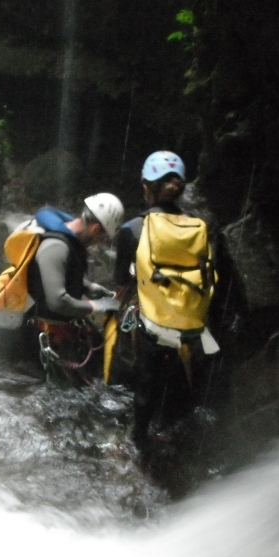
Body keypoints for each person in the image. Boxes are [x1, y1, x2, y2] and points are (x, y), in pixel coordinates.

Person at [109, 151, 218, 461]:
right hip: (192, 326)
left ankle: (138, 442)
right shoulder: (200, 227)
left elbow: (121, 278)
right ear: (180, 190)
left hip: (153, 327)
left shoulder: (133, 229)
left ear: (146, 187)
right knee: (182, 389)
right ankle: (181, 439)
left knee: (145, 383)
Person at [0, 193, 124, 383]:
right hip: (32, 335)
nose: (100, 243)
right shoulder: (56, 247)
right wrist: (95, 307)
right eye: (103, 238)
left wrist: (88, 287)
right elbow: (57, 302)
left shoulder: (67, 239)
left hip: (43, 326)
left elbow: (52, 275)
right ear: (95, 229)